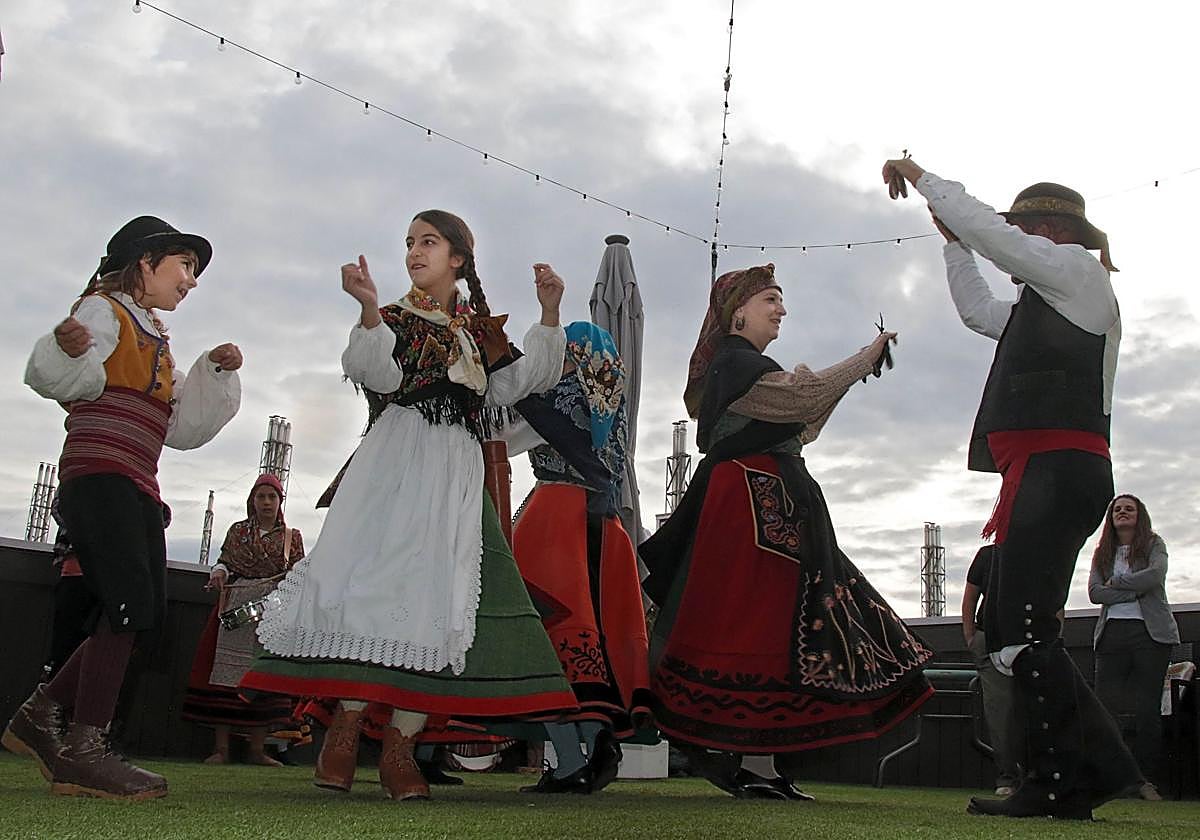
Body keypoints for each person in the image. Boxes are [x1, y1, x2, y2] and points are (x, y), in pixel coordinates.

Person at [240, 210, 577, 802]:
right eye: (409, 243)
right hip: (396, 461)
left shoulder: (478, 329)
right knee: (371, 582)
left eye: (429, 242)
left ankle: (400, 744)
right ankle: (344, 728)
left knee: (436, 594)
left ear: (458, 259)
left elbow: (514, 385)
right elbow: (376, 370)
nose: (415, 252)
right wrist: (369, 309)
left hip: (455, 471)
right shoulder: (397, 317)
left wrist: (549, 313)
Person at [883, 156, 1144, 818]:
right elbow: (978, 313)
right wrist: (954, 249)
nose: (1016, 241)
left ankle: (1069, 777)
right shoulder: (1045, 301)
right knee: (1010, 628)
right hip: (1047, 474)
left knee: (1023, 627)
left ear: (1051, 232)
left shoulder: (1080, 277)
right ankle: (1075, 775)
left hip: (1060, 471)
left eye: (1025, 229)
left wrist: (924, 177)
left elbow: (998, 242)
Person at [640, 263, 934, 801]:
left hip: (763, 498)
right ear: (738, 312)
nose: (781, 309)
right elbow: (803, 397)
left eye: (780, 300)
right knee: (763, 621)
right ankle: (751, 760)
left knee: (770, 624)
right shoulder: (737, 363)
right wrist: (862, 358)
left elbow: (804, 407)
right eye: (771, 299)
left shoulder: (746, 368)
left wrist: (846, 375)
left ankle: (760, 761)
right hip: (753, 504)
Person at [5, 216, 242, 801]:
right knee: (131, 607)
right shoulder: (102, 312)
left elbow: (181, 429)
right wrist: (65, 349)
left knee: (144, 611)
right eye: (184, 265)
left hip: (136, 482)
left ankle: (42, 718)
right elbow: (69, 380)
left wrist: (212, 371)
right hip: (100, 475)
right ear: (145, 262)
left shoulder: (154, 337)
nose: (190, 281)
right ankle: (83, 751)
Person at [501, 321, 651, 794]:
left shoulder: (556, 396)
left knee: (541, 637)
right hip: (605, 523)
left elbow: (502, 434)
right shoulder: (612, 402)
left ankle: (568, 758)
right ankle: (601, 734)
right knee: (598, 635)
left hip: (555, 515)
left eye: (564, 352)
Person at [181, 473, 304, 766]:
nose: (266, 502)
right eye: (261, 497)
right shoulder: (237, 532)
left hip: (273, 609)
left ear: (280, 501)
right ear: (252, 501)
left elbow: (300, 575)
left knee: (262, 674)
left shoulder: (291, 537)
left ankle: (257, 749)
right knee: (226, 675)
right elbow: (224, 561)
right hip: (237, 605)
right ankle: (221, 749)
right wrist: (219, 574)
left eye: (272, 497)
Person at [1089, 494, 1178, 798]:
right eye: (1117, 508)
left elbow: (1155, 576)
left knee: (1146, 710)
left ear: (1140, 515)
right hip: (1112, 634)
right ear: (1110, 517)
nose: (1123, 512)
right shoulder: (1102, 552)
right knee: (1105, 708)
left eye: (1129, 508)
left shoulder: (1154, 544)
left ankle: (1144, 780)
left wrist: (1118, 584)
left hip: (1150, 635)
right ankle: (1109, 778)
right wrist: (1132, 591)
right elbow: (1095, 593)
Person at [961, 544, 1022, 796]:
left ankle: (1038, 775)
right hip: (990, 640)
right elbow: (970, 596)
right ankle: (1006, 776)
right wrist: (971, 636)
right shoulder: (988, 555)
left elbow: (1055, 597)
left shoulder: (1043, 550)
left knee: (1036, 709)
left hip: (1033, 641)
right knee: (999, 712)